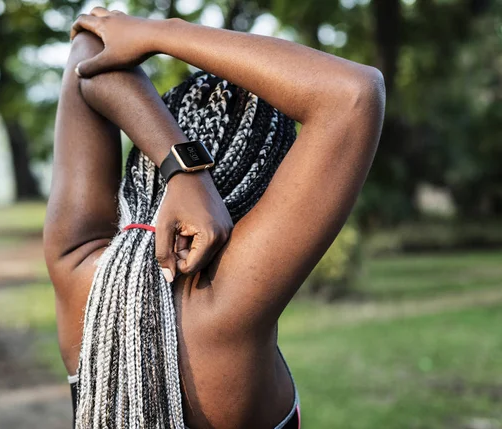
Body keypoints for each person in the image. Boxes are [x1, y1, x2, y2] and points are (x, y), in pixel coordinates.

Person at [43, 7, 385, 429]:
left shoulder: (78, 268)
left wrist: (180, 168)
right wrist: (165, 33)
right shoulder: (231, 309)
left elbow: (87, 49)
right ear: (269, 192)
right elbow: (353, 94)